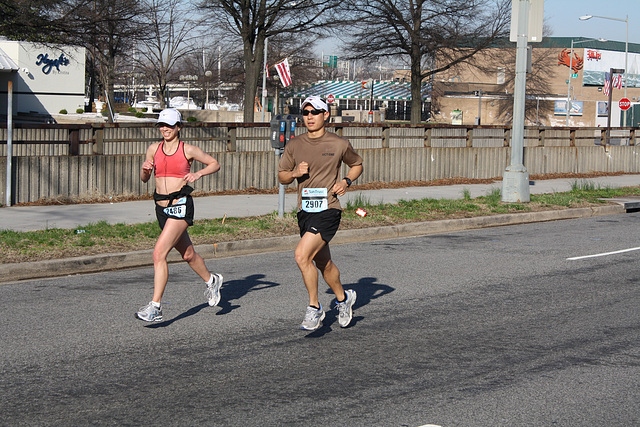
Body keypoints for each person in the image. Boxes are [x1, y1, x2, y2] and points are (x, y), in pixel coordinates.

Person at [278, 96, 363, 331]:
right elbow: (282, 176)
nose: (310, 116)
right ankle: (344, 299)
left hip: (329, 209)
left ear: (326, 115)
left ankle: (314, 308)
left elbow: (357, 164)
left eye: (315, 112)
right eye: (305, 112)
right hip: (305, 211)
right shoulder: (295, 144)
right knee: (323, 263)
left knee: (301, 256)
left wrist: (346, 181)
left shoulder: (338, 143)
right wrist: (295, 173)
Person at [136, 108, 223, 322]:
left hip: (180, 204)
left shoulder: (189, 149)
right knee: (187, 254)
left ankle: (155, 307)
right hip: (161, 207)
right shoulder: (153, 148)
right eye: (162, 125)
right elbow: (144, 179)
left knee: (159, 254)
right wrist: (145, 170)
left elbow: (215, 163)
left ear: (179, 127)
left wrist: (198, 173)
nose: (165, 129)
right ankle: (212, 280)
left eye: (170, 125)